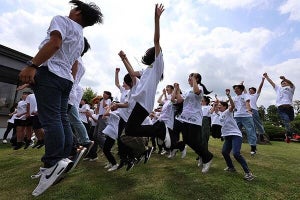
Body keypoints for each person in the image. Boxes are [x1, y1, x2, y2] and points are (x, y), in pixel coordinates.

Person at [18, 0, 103, 196]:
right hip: (65, 80)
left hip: (51, 74)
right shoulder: (80, 36)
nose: (70, 10)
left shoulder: (62, 21)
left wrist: (32, 65)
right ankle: (62, 159)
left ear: (78, 13)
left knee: (51, 120)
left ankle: (52, 164)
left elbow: (54, 43)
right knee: (61, 118)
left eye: (73, 8)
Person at [119, 4, 171, 152]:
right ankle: (158, 129)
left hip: (144, 102)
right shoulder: (147, 69)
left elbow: (156, 41)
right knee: (130, 130)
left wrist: (156, 18)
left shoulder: (158, 65)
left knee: (130, 129)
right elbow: (133, 74)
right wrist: (124, 58)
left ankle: (159, 128)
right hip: (140, 102)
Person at [172, 73, 214, 173]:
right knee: (187, 140)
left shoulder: (199, 87)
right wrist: (177, 89)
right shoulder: (187, 90)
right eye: (189, 79)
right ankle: (205, 156)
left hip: (195, 119)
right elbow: (179, 100)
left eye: (190, 79)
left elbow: (196, 92)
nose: (188, 80)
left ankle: (207, 157)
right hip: (185, 118)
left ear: (196, 79)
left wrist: (194, 79)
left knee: (195, 141)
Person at [219, 89, 255, 181]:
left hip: (235, 135)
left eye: (220, 106)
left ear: (225, 107)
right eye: (218, 106)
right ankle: (231, 167)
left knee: (236, 153)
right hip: (227, 137)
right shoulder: (219, 115)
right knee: (224, 152)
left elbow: (233, 105)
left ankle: (248, 173)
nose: (218, 107)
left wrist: (229, 96)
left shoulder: (228, 111)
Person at [263, 73, 295, 143]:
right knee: (286, 120)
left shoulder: (291, 88)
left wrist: (284, 79)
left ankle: (287, 134)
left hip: (290, 108)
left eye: (284, 82)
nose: (283, 83)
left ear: (287, 83)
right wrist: (266, 77)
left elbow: (291, 83)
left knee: (291, 122)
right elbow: (272, 83)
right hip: (281, 108)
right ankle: (289, 135)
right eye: (282, 83)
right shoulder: (278, 88)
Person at [232, 84, 257, 155]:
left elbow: (247, 103)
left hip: (246, 116)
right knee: (235, 132)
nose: (235, 90)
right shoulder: (234, 98)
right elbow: (233, 106)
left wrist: (249, 109)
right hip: (237, 116)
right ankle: (236, 148)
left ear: (241, 89)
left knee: (250, 131)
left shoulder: (245, 95)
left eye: (236, 88)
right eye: (234, 89)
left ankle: (253, 147)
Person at [247, 77, 268, 144]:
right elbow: (243, 90)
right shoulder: (247, 96)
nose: (249, 91)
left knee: (257, 123)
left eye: (251, 90)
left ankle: (261, 134)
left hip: (254, 110)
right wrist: (241, 84)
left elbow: (260, 87)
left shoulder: (256, 95)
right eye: (249, 90)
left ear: (254, 91)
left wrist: (262, 80)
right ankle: (253, 136)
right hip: (247, 110)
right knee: (250, 123)